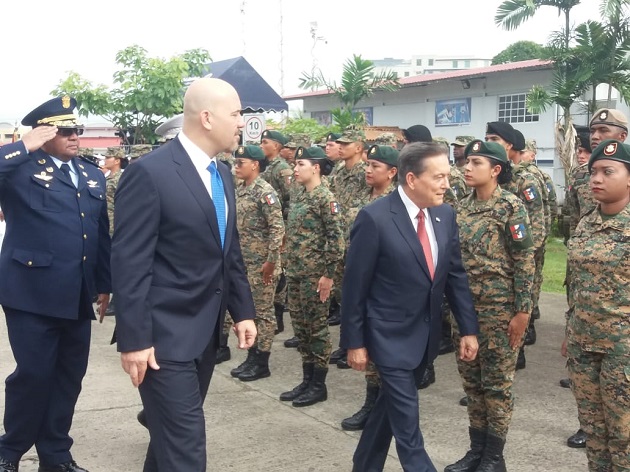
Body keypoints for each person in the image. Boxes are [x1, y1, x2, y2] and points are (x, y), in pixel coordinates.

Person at [111, 78, 257, 471]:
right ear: (207, 118)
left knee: (168, 446)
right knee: (187, 451)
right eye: (236, 113)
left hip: (205, 335)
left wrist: (242, 311)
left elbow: (229, 251)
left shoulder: (221, 174)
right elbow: (130, 263)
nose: (242, 122)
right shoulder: (150, 173)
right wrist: (135, 340)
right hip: (162, 342)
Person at [341, 142, 479, 472]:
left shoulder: (444, 214)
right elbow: (354, 286)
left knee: (389, 409)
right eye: (440, 177)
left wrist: (468, 329)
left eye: (448, 175)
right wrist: (354, 342)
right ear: (413, 179)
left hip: (425, 337)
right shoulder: (375, 219)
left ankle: (364, 464)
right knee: (408, 427)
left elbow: (454, 276)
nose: (447, 184)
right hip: (387, 337)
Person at [0, 96, 111, 472]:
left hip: (77, 294)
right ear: (43, 133)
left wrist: (104, 283)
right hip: (30, 293)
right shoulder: (19, 168)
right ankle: (9, 451)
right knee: (32, 375)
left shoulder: (92, 174)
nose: (74, 136)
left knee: (68, 379)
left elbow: (100, 233)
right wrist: (21, 146)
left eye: (76, 130)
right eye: (64, 130)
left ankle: (56, 455)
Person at [445, 140, 535, 472]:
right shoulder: (461, 208)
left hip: (500, 313)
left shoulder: (511, 207)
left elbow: (525, 261)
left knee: (496, 386)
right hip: (466, 311)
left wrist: (522, 312)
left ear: (496, 170)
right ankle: (476, 451)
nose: (467, 167)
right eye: (467, 162)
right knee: (472, 384)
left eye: (476, 162)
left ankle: (494, 458)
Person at [564, 139, 630, 472]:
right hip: (583, 344)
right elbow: (576, 284)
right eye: (593, 173)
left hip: (622, 350)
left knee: (623, 435)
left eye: (608, 171)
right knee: (593, 430)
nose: (596, 179)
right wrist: (569, 330)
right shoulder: (587, 221)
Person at [279, 146, 344, 407]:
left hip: (315, 276)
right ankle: (307, 380)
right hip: (296, 272)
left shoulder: (325, 199)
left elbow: (337, 241)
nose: (295, 169)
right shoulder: (299, 194)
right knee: (301, 328)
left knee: (316, 329)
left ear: (315, 168)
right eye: (295, 164)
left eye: (300, 164)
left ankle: (319, 384)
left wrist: (328, 276)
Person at [340, 144, 398, 432]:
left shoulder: (396, 203)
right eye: (368, 164)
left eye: (375, 166)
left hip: (384, 287)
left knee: (384, 356)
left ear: (392, 172)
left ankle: (379, 410)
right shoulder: (362, 196)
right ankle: (371, 404)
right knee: (368, 349)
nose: (368, 169)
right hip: (361, 281)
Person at [485, 121, 546, 370]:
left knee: (519, 306)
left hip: (519, 255)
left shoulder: (524, 181)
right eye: (487, 138)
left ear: (510, 146)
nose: (490, 143)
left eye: (495, 140)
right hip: (494, 260)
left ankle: (516, 352)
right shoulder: (493, 177)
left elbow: (537, 224)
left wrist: (527, 259)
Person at [229, 145, 285, 382]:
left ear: (255, 164)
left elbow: (277, 229)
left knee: (263, 313)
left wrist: (272, 262)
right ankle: (252, 357)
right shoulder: (241, 189)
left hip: (262, 265)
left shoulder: (265, 192)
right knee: (249, 313)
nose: (236, 167)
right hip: (245, 264)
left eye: (240, 163)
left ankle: (262, 361)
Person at [329, 126, 370, 367]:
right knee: (343, 295)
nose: (341, 147)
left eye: (347, 143)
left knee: (357, 296)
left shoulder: (366, 172)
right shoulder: (337, 171)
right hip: (339, 240)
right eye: (340, 143)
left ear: (359, 147)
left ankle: (358, 344)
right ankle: (346, 343)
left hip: (357, 240)